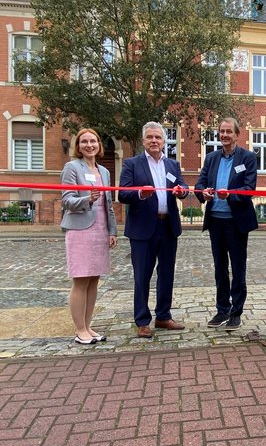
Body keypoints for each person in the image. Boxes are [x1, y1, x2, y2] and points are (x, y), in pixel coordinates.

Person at [118, 122, 189, 339]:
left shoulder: (172, 165)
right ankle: (142, 321)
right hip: (142, 229)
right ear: (143, 141)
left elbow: (184, 187)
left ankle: (163, 316)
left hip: (168, 226)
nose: (154, 141)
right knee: (142, 276)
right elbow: (122, 193)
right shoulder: (132, 164)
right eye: (150, 137)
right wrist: (140, 193)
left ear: (164, 140)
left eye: (158, 137)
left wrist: (182, 192)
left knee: (166, 274)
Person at [195, 117, 258, 331]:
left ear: (237, 135)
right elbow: (200, 182)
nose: (224, 135)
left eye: (229, 131)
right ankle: (222, 309)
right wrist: (203, 192)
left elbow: (249, 188)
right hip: (216, 221)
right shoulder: (211, 157)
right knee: (219, 268)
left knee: (238, 268)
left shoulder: (248, 158)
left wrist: (228, 195)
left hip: (236, 223)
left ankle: (236, 313)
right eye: (221, 131)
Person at [60, 128, 118, 345]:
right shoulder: (71, 167)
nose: (89, 145)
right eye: (84, 141)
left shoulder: (104, 171)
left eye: (93, 141)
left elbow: (109, 204)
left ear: (98, 144)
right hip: (80, 230)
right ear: (78, 146)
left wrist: (112, 231)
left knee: (94, 280)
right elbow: (66, 200)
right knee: (81, 280)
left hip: (100, 229)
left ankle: (88, 325)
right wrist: (88, 200)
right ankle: (79, 329)